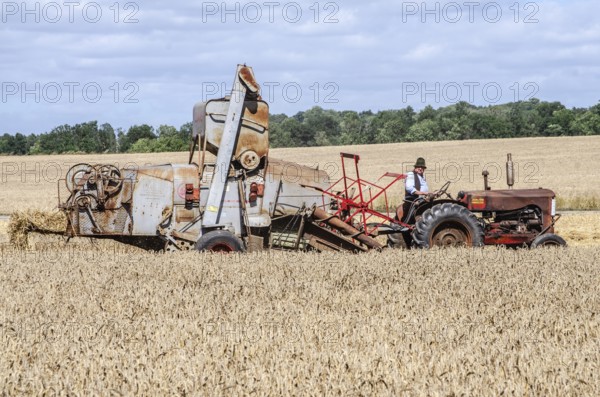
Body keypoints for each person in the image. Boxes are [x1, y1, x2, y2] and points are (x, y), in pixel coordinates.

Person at [396, 157, 433, 222]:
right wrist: (424, 193)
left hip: (422, 200)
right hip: (414, 201)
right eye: (419, 167)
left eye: (422, 167)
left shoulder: (422, 177)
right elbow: (410, 188)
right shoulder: (411, 175)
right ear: (415, 167)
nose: (420, 168)